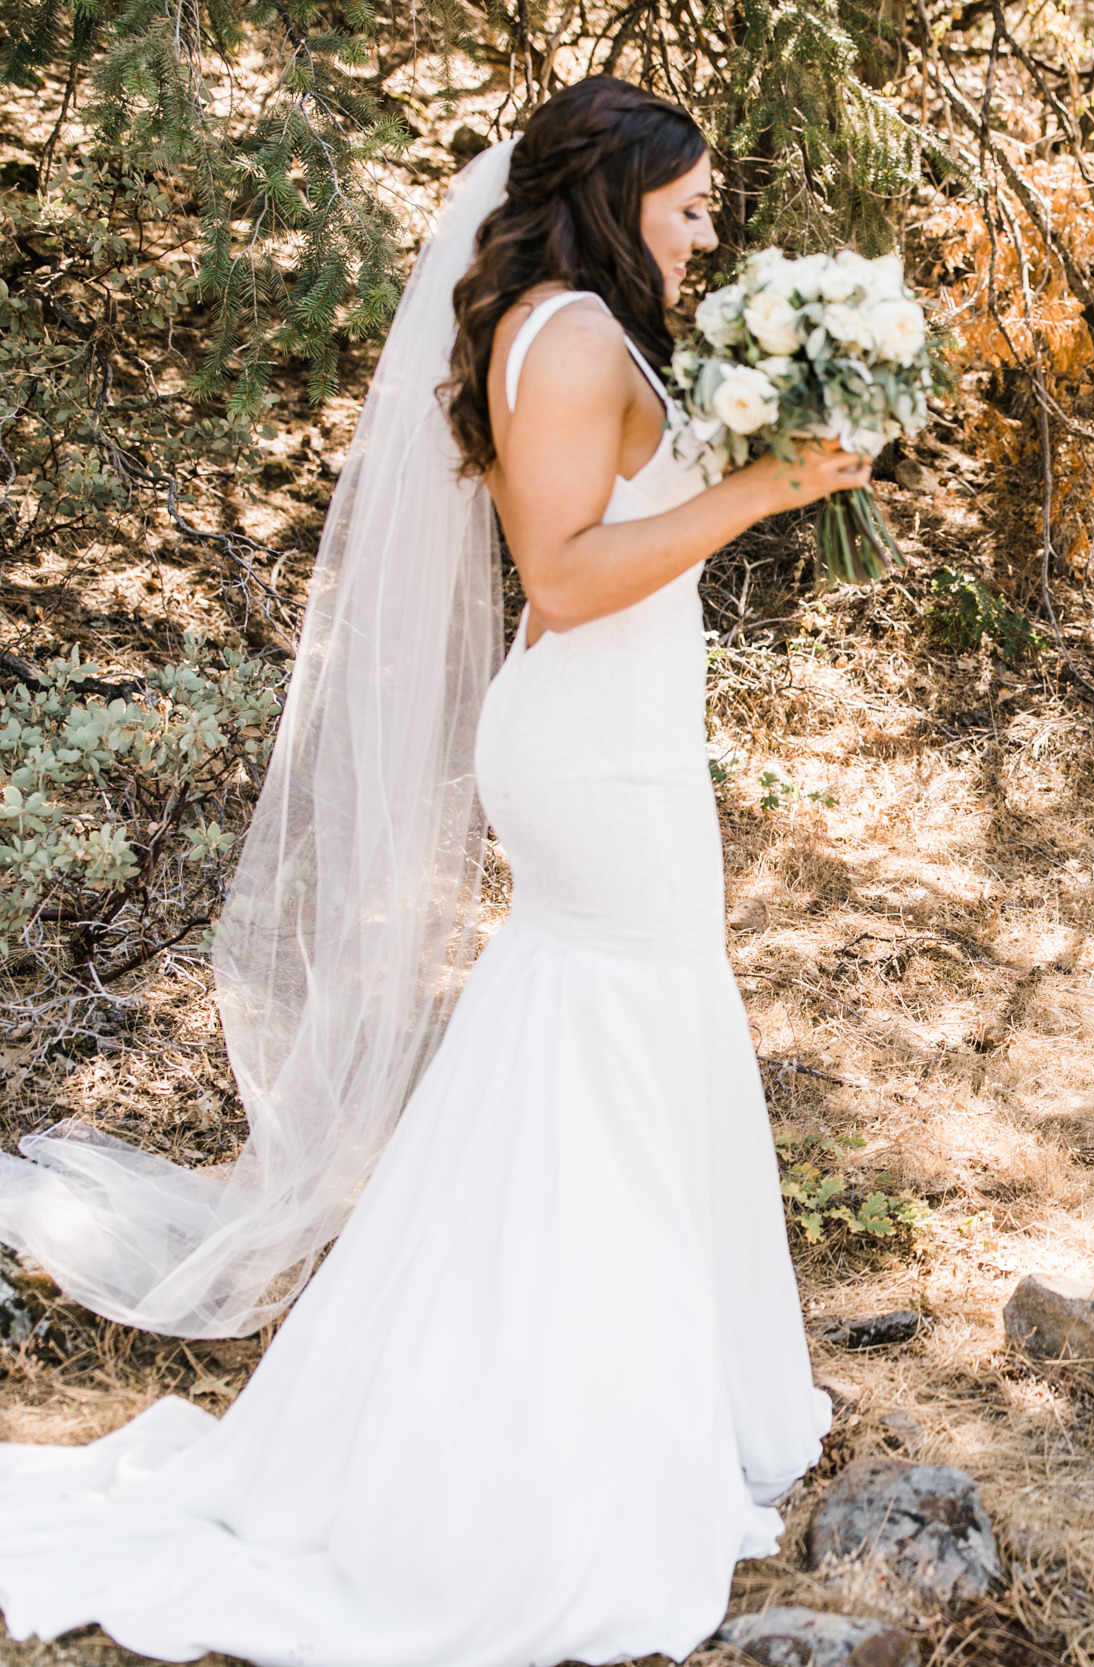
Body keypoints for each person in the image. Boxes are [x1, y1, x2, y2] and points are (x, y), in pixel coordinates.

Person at [0, 78, 868, 1664]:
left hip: (617, 733)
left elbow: (601, 535)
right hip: (594, 749)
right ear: (620, 191)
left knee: (607, 1025)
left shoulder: (571, 326)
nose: (712, 220)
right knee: (610, 1020)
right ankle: (548, 1437)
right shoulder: (578, 335)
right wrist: (762, 490)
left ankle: (596, 1377)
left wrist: (753, 451)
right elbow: (562, 571)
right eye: (693, 198)